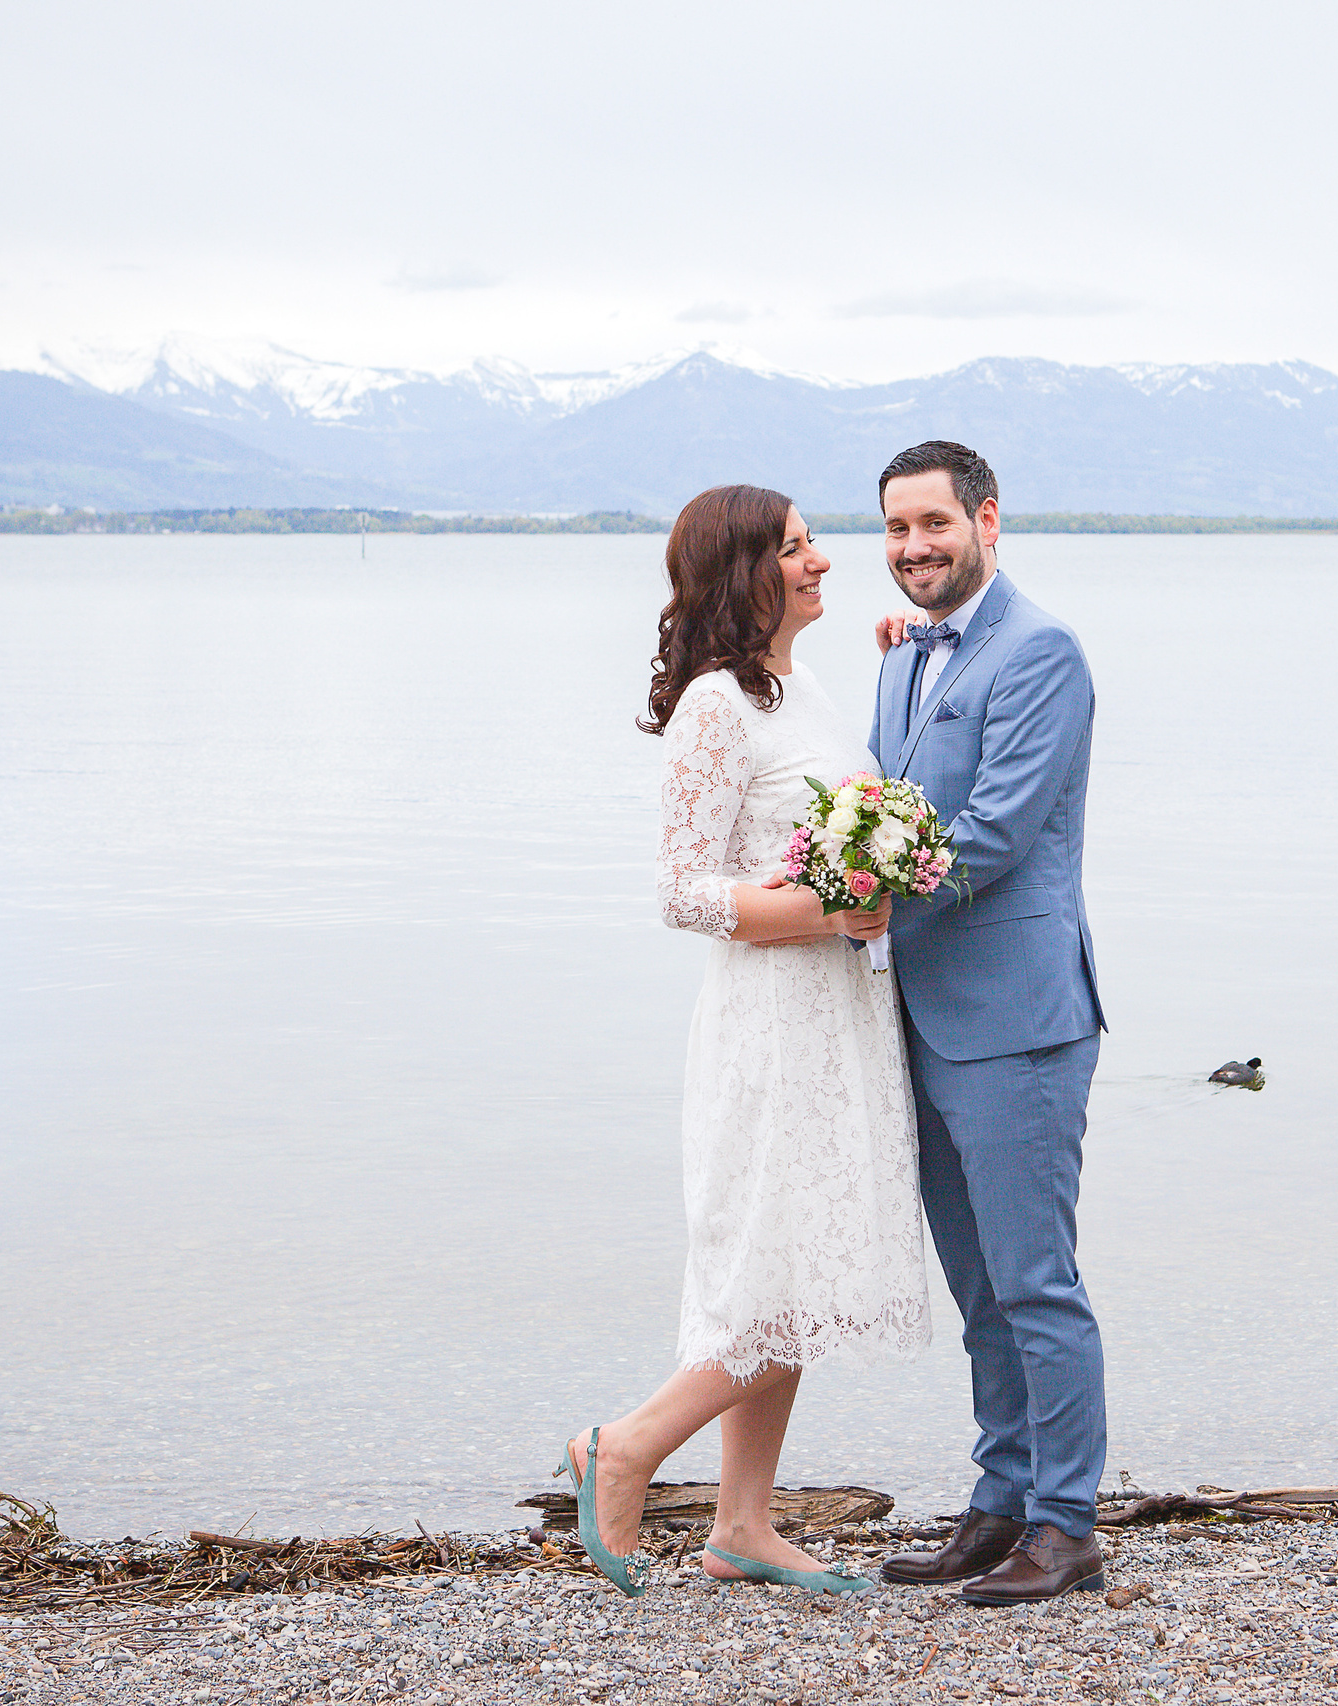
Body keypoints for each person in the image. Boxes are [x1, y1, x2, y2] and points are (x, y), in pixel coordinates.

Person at [560, 484, 930, 1597]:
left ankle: (743, 1524)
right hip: (771, 1022)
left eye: (813, 542)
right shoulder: (715, 705)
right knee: (774, 1262)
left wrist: (910, 660)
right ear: (744, 573)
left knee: (798, 1255)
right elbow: (682, 892)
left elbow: (842, 814)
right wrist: (837, 908)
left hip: (839, 1011)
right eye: (796, 547)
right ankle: (623, 1445)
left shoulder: (802, 685)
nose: (822, 560)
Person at [867, 441, 1110, 1605]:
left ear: (988, 519)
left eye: (934, 524)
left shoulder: (1041, 651)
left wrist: (841, 905)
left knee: (1035, 1283)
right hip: (917, 1016)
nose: (914, 547)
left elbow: (996, 831)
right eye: (896, 528)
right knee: (978, 1290)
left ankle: (1068, 1523)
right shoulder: (904, 654)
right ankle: (1000, 1499)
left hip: (1017, 1021)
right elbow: (882, 797)